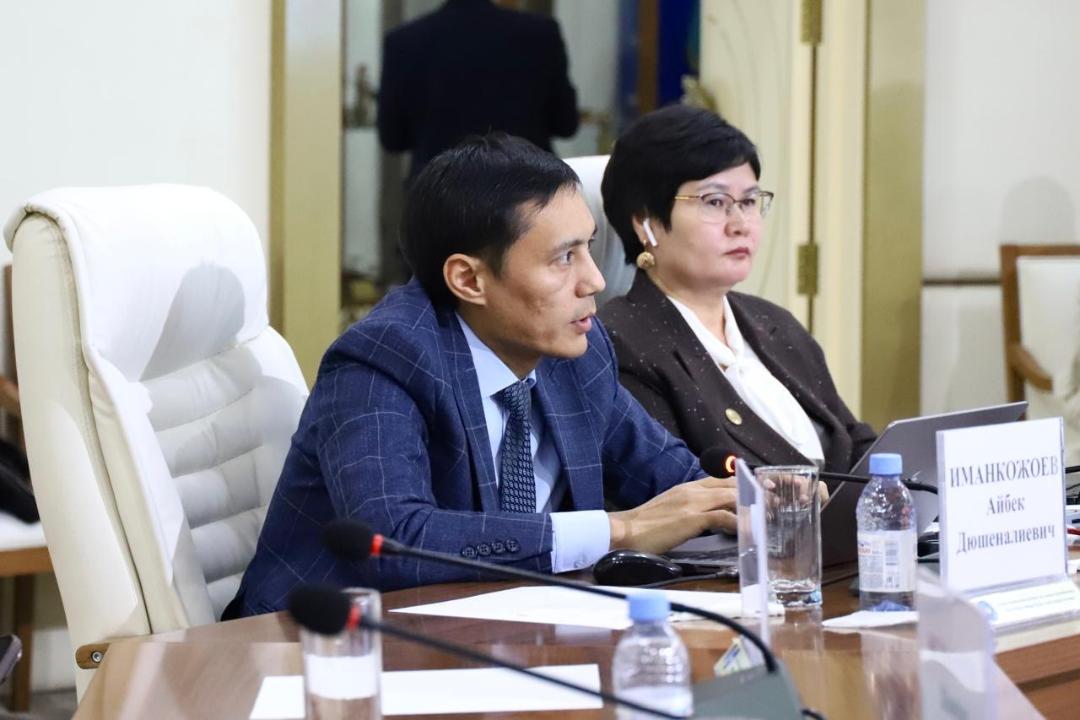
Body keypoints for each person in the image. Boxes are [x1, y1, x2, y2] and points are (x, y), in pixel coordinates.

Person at [224, 134, 737, 617]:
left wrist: (759, 506)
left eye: (589, 247)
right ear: (468, 278)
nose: (595, 280)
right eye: (564, 258)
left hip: (514, 629)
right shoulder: (383, 358)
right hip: (322, 644)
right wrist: (618, 531)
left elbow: (676, 480)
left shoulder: (576, 351)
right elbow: (392, 539)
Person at [598, 105, 876, 474]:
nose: (741, 224)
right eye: (715, 202)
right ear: (645, 222)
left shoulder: (775, 323)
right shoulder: (619, 343)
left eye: (748, 201)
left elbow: (853, 441)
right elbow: (671, 486)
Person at [377, 0, 579, 180]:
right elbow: (565, 124)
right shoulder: (540, 33)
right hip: (528, 189)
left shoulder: (403, 41)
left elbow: (392, 138)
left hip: (438, 192)